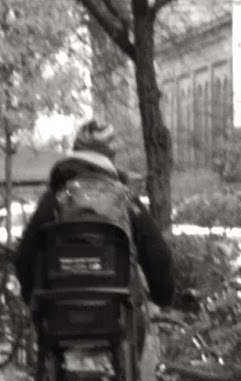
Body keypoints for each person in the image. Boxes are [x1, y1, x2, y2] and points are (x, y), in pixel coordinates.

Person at [14, 119, 174, 341]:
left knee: (48, 341)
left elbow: (25, 255)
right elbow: (158, 254)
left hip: (60, 313)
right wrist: (163, 297)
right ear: (110, 158)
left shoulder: (53, 200)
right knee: (135, 331)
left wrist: (30, 295)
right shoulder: (126, 200)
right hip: (116, 313)